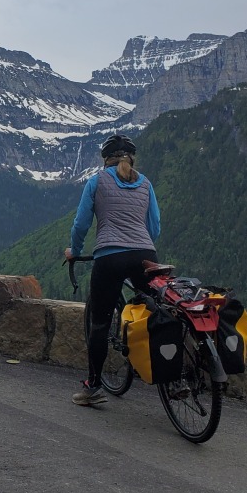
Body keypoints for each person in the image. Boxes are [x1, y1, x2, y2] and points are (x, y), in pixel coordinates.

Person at [64, 134, 161, 405]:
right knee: (157, 311)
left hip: (109, 257)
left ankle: (93, 387)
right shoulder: (146, 184)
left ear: (106, 160)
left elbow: (81, 225)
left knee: (100, 322)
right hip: (145, 255)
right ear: (132, 158)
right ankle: (172, 375)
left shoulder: (97, 181)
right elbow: (155, 227)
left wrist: (74, 250)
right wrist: (140, 246)